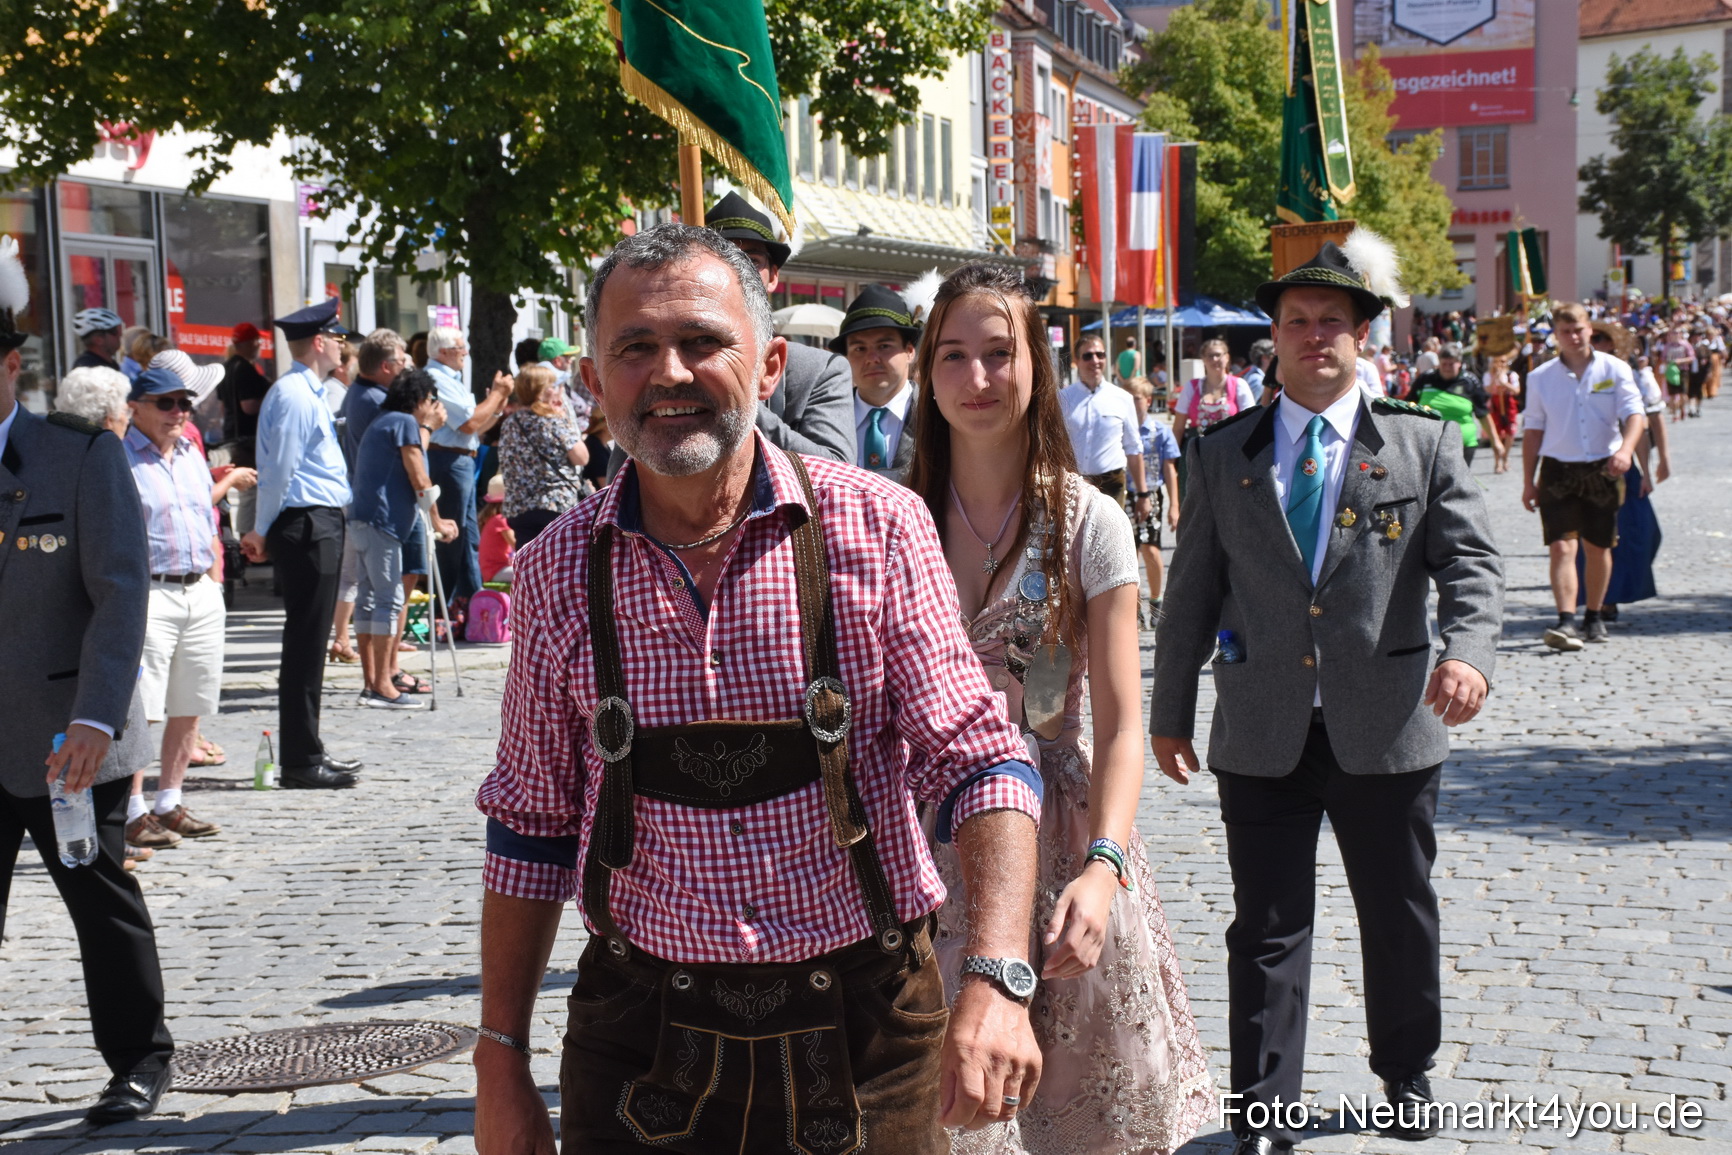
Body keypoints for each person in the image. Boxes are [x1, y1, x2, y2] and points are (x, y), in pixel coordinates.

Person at [474, 223, 1044, 1154]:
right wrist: (500, 1059)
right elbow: (530, 829)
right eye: (635, 348)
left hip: (864, 1030)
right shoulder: (552, 572)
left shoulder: (883, 531)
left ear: (771, 363)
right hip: (639, 1034)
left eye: (703, 342)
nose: (669, 373)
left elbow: (981, 765)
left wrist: (997, 972)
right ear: (593, 380)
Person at [1151, 234, 1504, 1155]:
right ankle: (1264, 1107)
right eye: (1297, 323)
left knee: (1397, 909)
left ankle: (1405, 1066)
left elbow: (1470, 562)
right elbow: (1188, 591)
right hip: (1261, 727)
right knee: (1265, 927)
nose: (1314, 338)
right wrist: (1169, 714)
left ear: (1363, 337)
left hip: (1386, 725)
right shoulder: (1222, 452)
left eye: (1332, 324)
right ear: (1274, 336)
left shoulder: (1421, 442)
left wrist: (1468, 653)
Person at [910, 265, 1212, 1155]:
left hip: (1059, 831)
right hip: (923, 837)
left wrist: (1105, 866)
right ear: (928, 372)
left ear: (1036, 365)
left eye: (999, 354)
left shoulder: (1090, 523)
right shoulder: (896, 516)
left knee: (1077, 1113)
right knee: (935, 1109)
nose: (976, 379)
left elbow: (1120, 724)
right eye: (954, 356)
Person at [0, 241, 175, 1124]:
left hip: (66, 729)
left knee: (99, 896)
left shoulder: (74, 455)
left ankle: (140, 1057)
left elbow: (120, 592)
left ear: (10, 365)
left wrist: (98, 718)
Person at [607, 190, 855, 479]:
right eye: (722, 258)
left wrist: (737, 396)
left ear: (773, 275)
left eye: (751, 260)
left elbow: (838, 470)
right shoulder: (662, 369)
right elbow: (622, 477)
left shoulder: (820, 370)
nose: (738, 272)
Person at [241, 299, 365, 788]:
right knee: (305, 643)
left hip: (317, 521)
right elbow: (278, 471)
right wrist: (261, 529)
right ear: (319, 342)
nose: (342, 345)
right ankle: (299, 759)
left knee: (310, 644)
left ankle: (307, 749)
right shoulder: (294, 395)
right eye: (337, 338)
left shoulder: (306, 391)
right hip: (307, 523)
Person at [118, 367, 235, 847]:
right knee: (142, 711)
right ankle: (131, 810)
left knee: (192, 703)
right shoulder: (120, 455)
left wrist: (213, 582)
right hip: (149, 591)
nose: (179, 413)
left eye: (184, 403)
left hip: (198, 590)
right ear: (136, 406)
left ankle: (169, 801)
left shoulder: (189, 451)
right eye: (166, 403)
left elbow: (202, 514)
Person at [1520, 303, 1646, 652]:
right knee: (1561, 546)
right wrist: (1529, 480)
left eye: (1578, 329)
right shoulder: (1541, 377)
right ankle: (1565, 619)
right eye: (1565, 332)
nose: (1573, 337)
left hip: (1603, 467)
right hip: (1558, 469)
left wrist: (1625, 451)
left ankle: (1593, 614)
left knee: (1598, 545)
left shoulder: (1615, 369)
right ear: (1556, 335)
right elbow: (1533, 431)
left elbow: (1636, 415)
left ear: (1589, 329)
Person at [348, 369, 458, 709]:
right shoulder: (405, 423)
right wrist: (439, 521)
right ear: (421, 401)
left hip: (362, 521)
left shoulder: (383, 420)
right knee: (388, 601)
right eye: (430, 400)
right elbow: (420, 477)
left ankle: (372, 684)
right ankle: (383, 687)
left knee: (368, 601)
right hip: (383, 524)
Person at [1575, 327, 1665, 623]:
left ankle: (1613, 592)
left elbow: (1640, 426)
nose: (1601, 345)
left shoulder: (1627, 375)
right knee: (1596, 538)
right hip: (1585, 467)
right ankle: (1601, 601)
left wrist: (1648, 469)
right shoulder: (1570, 376)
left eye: (1605, 341)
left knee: (1645, 534)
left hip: (1624, 467)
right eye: (1596, 340)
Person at [424, 327, 514, 608]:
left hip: (459, 458)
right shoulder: (437, 378)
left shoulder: (450, 378)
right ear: (443, 352)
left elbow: (474, 431)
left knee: (467, 537)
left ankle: (470, 602)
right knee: (453, 536)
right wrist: (496, 395)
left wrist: (497, 404)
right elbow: (470, 423)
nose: (466, 352)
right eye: (461, 347)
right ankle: (446, 608)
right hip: (448, 461)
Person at [833, 284, 920, 479]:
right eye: (859, 349)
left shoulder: (936, 412)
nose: (872, 358)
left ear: (909, 351)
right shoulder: (827, 417)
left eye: (884, 346)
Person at [497, 363, 589, 547]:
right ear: (541, 391)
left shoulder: (510, 422)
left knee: (531, 568)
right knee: (562, 568)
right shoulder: (553, 420)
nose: (558, 391)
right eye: (554, 386)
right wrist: (566, 420)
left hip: (519, 508)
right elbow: (582, 457)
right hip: (555, 505)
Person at [1059, 333, 1151, 517]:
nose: (1095, 360)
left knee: (1110, 540)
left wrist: (1143, 494)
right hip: (1073, 483)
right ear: (1077, 360)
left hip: (1111, 483)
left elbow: (1133, 448)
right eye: (1088, 355)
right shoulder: (1062, 398)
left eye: (1100, 355)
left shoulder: (1122, 398)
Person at [1128, 376, 1182, 627]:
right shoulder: (1120, 429)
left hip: (1152, 495)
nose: (1132, 403)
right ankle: (1133, 604)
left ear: (1148, 401)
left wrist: (1174, 505)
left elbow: (1170, 469)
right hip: (1125, 494)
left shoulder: (1160, 431)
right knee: (1128, 553)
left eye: (1136, 399)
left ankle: (1157, 599)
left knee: (1150, 548)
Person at [1411, 342, 1499, 466]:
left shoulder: (1470, 381)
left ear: (1459, 363)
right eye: (1443, 364)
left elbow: (1483, 414)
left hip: (1463, 444)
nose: (1447, 367)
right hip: (1429, 444)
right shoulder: (1425, 379)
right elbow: (1409, 407)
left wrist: (1496, 442)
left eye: (1451, 364)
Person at [1174, 337, 1258, 446]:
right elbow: (1178, 428)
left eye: (1218, 355)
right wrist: (1171, 459)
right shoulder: (1191, 387)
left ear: (1227, 357)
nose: (1214, 359)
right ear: (1203, 359)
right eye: (1209, 356)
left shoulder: (1239, 385)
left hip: (1230, 450)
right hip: (1197, 453)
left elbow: (1250, 423)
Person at [55, 365, 132, 438]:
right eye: (126, 412)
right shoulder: (108, 451)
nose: (127, 421)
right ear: (109, 421)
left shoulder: (52, 446)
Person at [1485, 354, 1520, 474]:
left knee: (1510, 433)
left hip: (1508, 405)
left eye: (1503, 361)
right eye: (1497, 361)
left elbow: (1516, 390)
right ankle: (1497, 462)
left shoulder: (1511, 375)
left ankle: (1505, 457)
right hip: (1495, 406)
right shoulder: (1488, 375)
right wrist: (1495, 378)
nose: (1500, 364)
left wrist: (1504, 384)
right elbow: (1487, 390)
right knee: (1497, 433)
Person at [478, 474, 514, 583]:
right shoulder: (500, 520)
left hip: (492, 571)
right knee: (534, 574)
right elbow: (517, 544)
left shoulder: (491, 519)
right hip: (497, 571)